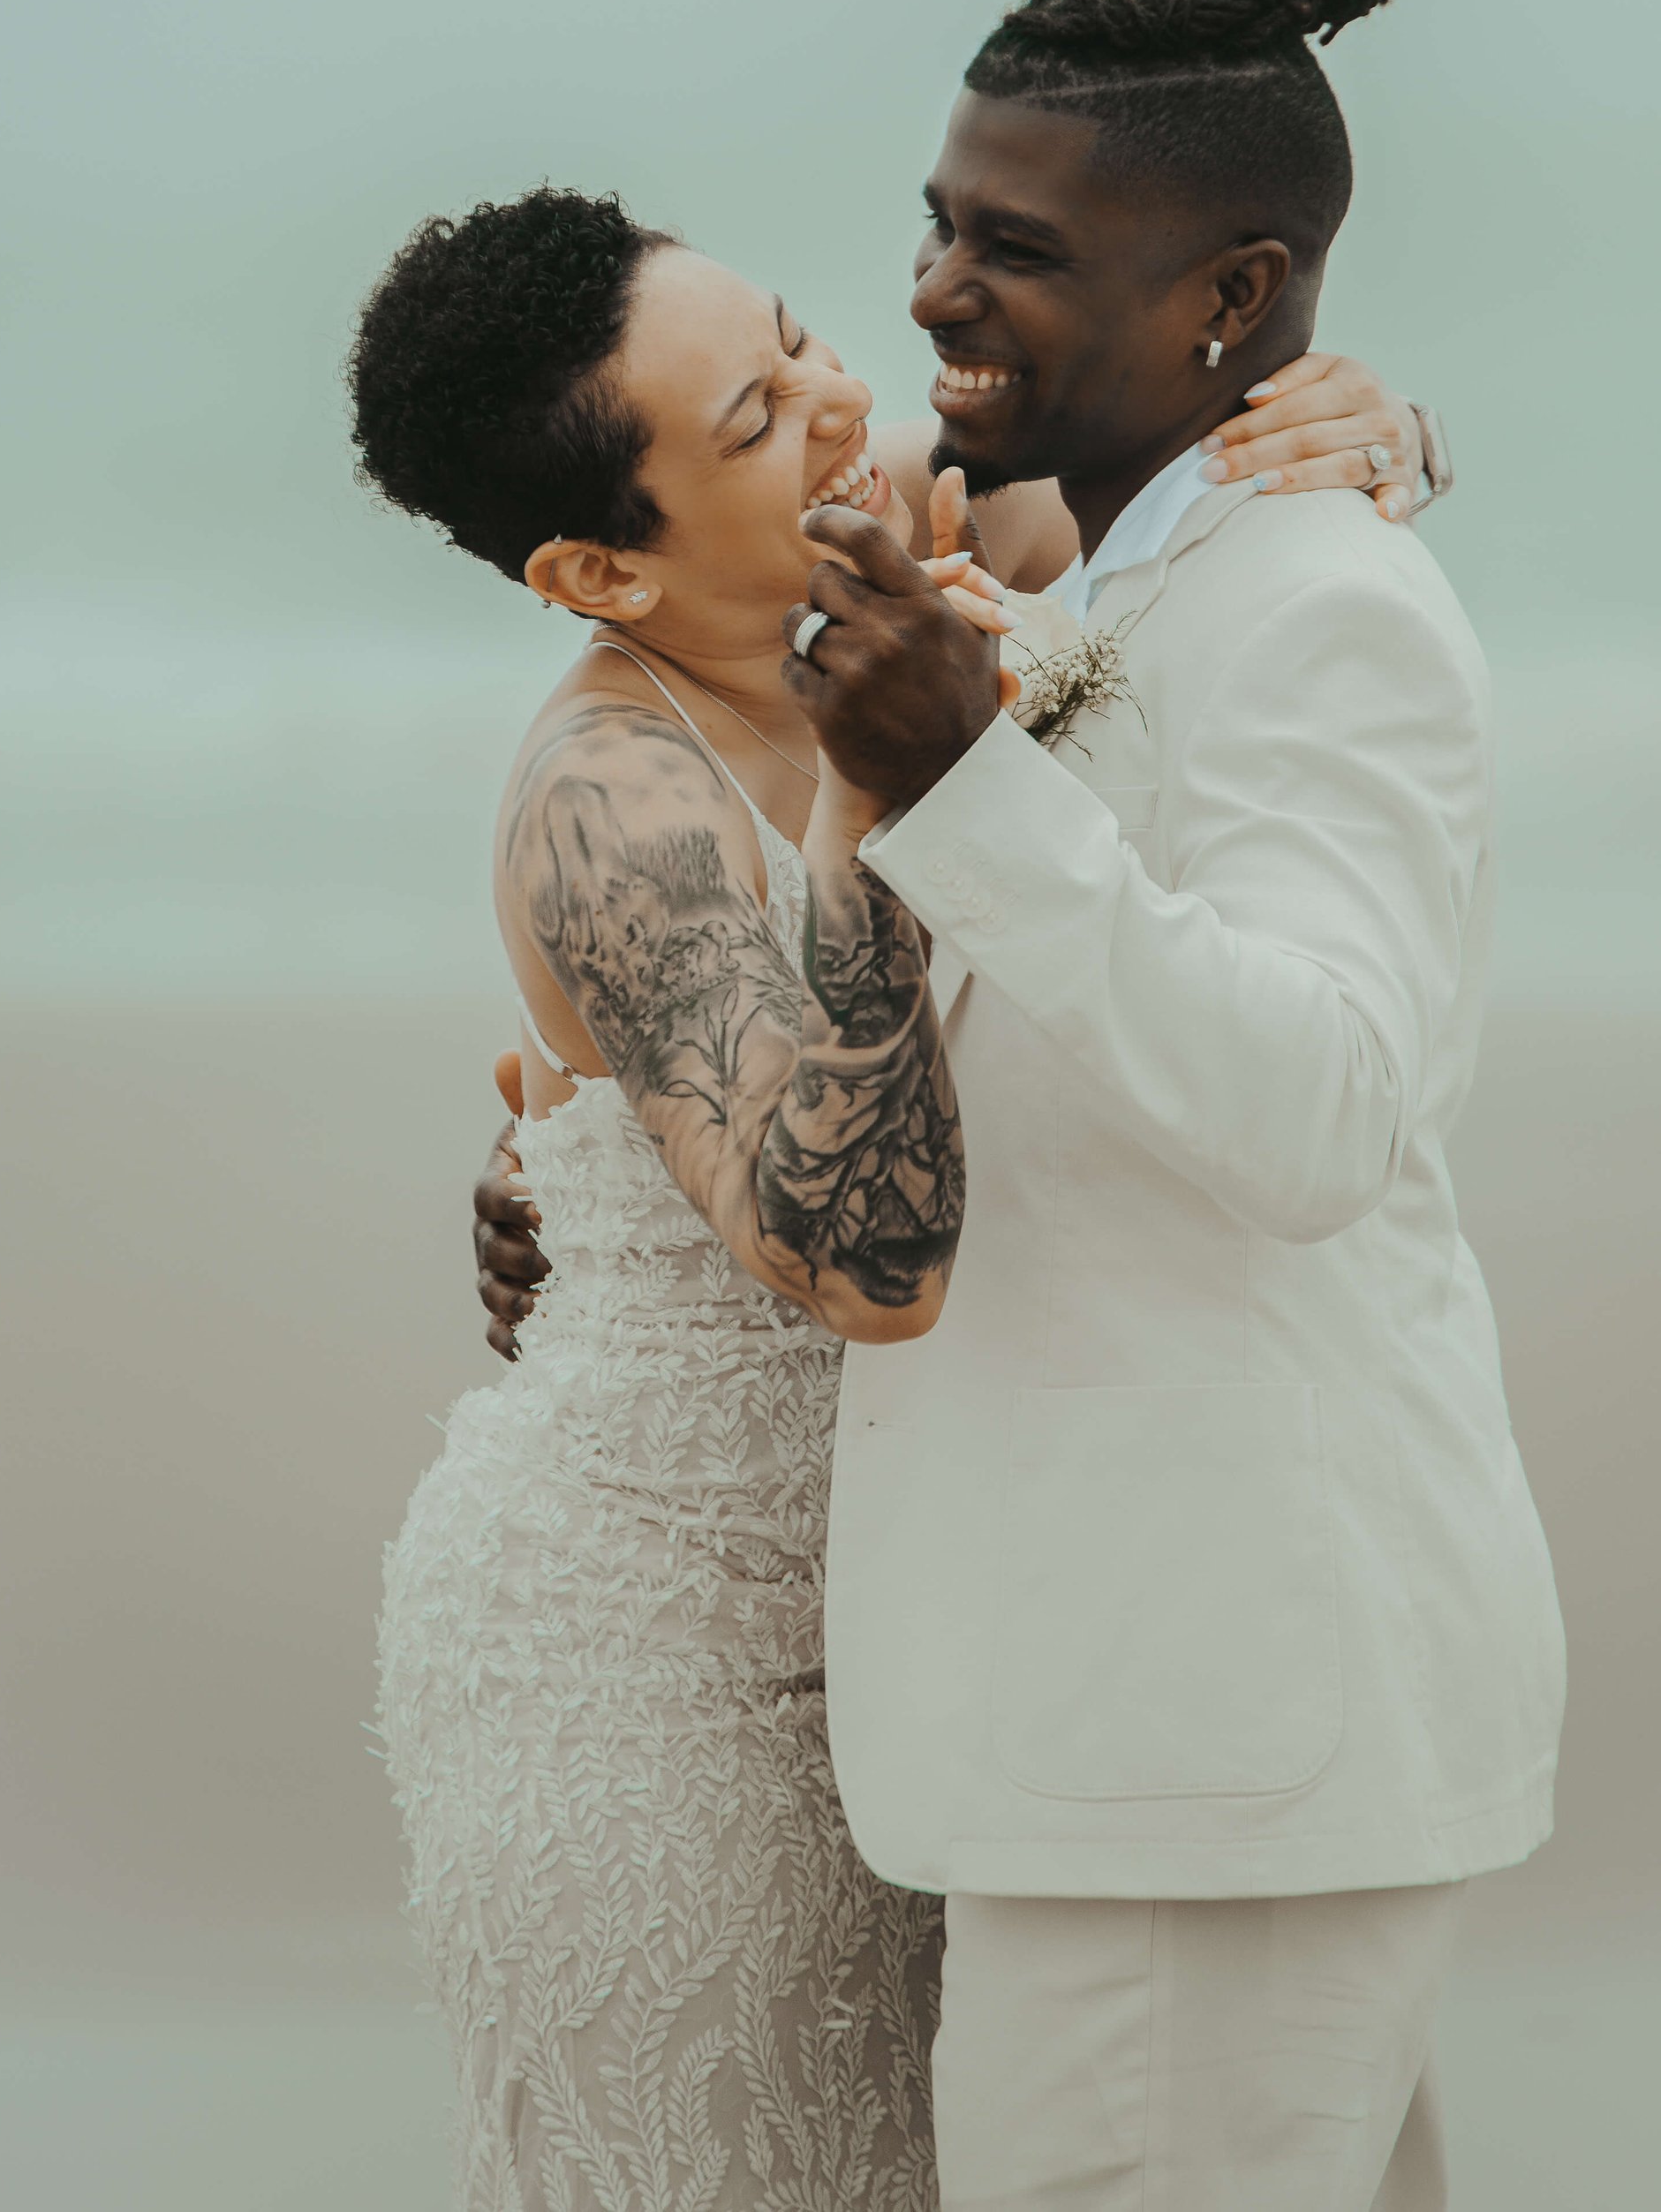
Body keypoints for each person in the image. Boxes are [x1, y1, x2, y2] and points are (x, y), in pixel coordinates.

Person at [352, 165, 1428, 2212]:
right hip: (653, 1666)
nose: (840, 408)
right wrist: (879, 790)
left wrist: (1373, 433)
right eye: (750, 426)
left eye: (791, 340)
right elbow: (865, 1256)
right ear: (595, 572)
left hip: (978, 1625)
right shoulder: (610, 800)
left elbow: (1208, 502)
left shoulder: (933, 530)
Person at [770, 0, 1566, 2211]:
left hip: (1201, 1741)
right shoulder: (1105, 574)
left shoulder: (1320, 598)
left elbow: (1325, 1105)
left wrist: (967, 790)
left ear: (1226, 295)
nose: (931, 287)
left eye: (1011, 246)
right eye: (936, 219)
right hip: (1141, 1723)